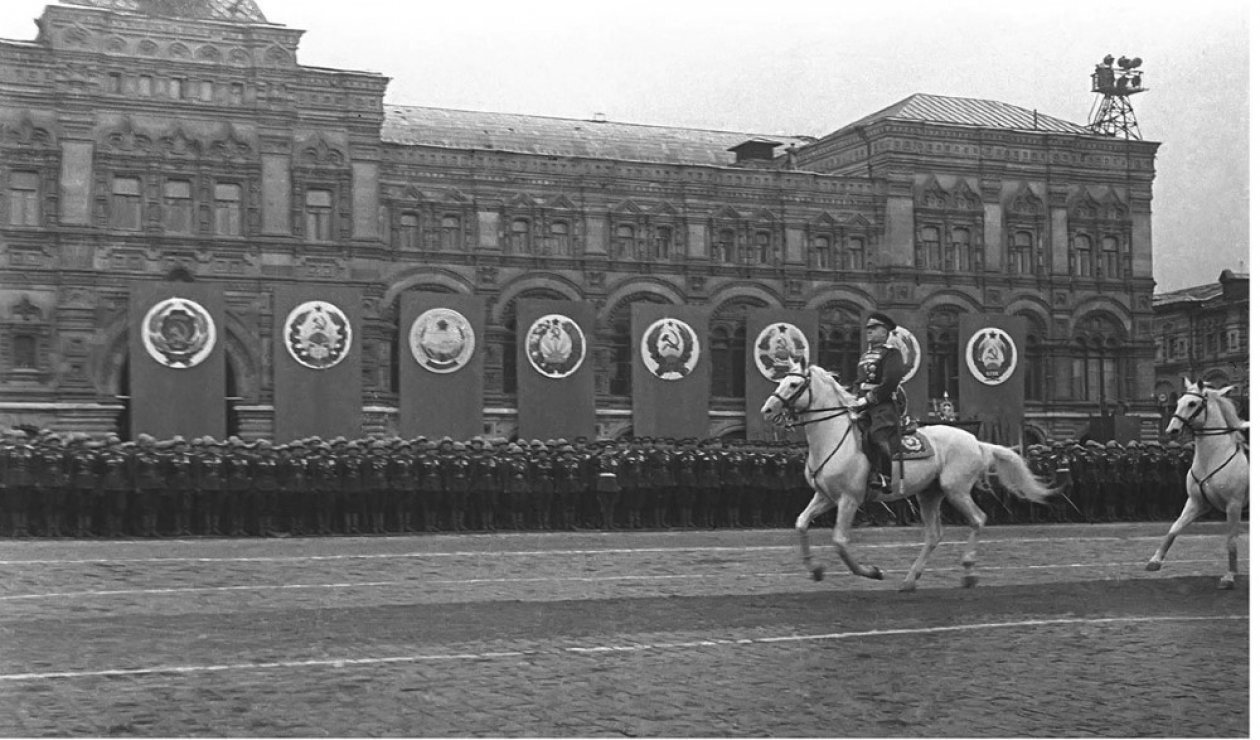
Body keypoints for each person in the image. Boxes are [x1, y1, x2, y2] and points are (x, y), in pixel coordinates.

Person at [850, 312, 906, 493]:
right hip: (863, 405)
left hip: (883, 405)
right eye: (868, 329)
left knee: (877, 434)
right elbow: (859, 381)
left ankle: (884, 476)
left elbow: (890, 381)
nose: (869, 332)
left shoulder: (892, 354)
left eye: (874, 329)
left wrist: (868, 398)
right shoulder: (865, 356)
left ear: (885, 332)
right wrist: (854, 398)